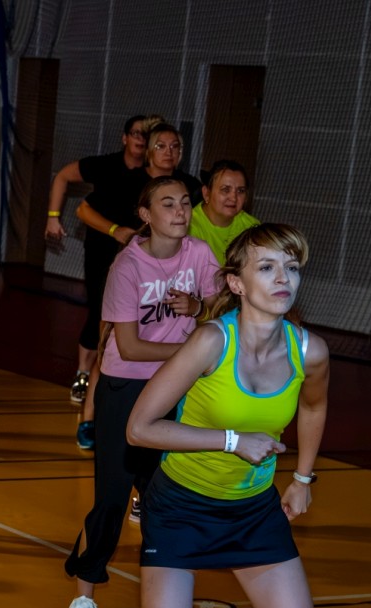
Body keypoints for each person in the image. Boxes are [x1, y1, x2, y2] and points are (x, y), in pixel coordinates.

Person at [67, 224, 329, 608]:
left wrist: (302, 477)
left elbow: (314, 407)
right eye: (267, 268)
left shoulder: (309, 350)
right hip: (180, 510)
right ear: (235, 283)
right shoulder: (211, 342)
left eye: (291, 268)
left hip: (253, 513)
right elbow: (140, 427)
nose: (283, 279)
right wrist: (233, 441)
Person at [62, 177, 218, 608]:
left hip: (174, 388)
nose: (180, 210)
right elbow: (128, 347)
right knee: (112, 499)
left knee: (168, 500)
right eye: (168, 204)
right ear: (146, 216)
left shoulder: (199, 255)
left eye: (185, 202)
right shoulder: (127, 266)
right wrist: (190, 352)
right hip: (126, 389)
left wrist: (199, 306)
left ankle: (175, 603)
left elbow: (222, 310)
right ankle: (83, 597)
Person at [70, 123, 202, 446]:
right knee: (109, 343)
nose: (169, 152)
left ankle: (155, 422)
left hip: (169, 278)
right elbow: (83, 208)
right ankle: (89, 418)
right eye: (161, 146)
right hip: (127, 275)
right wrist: (115, 230)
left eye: (175, 146)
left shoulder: (189, 186)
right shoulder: (128, 180)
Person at [45, 114, 161, 409]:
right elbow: (65, 180)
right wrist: (53, 217)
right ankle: (84, 375)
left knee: (132, 315)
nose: (140, 139)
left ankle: (120, 377)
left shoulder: (151, 177)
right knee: (100, 310)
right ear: (125, 137)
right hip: (101, 250)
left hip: (138, 256)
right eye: (135, 133)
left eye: (145, 135)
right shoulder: (106, 165)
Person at [189, 160, 259, 266]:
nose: (233, 198)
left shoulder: (252, 228)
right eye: (225, 190)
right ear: (206, 193)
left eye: (240, 191)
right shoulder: (188, 228)